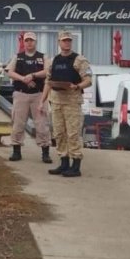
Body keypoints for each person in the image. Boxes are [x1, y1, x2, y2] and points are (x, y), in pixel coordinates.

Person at [39, 30, 92, 177]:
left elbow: (88, 80)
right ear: (59, 42)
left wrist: (78, 86)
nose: (66, 43)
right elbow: (48, 82)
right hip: (56, 102)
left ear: (71, 42)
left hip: (72, 103)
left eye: (69, 40)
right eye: (64, 40)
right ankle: (64, 162)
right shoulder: (54, 61)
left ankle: (76, 166)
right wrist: (41, 102)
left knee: (73, 134)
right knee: (59, 133)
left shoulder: (79, 60)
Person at [5, 31, 52, 163]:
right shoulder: (18, 56)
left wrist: (33, 75)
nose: (29, 43)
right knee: (18, 123)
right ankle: (16, 150)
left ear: (35, 42)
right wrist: (23, 79)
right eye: (27, 40)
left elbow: (48, 71)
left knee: (42, 123)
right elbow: (9, 72)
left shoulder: (43, 56)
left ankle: (45, 152)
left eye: (31, 40)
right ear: (23, 42)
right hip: (21, 93)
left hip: (38, 94)